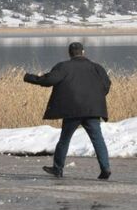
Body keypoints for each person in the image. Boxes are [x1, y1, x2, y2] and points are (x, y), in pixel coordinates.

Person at [24, 42, 112, 180]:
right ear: (83, 52)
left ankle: (57, 169)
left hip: (72, 110)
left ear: (70, 53)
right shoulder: (97, 67)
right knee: (98, 139)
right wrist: (95, 98)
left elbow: (49, 80)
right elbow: (106, 85)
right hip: (93, 110)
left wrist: (29, 77)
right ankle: (105, 168)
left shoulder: (64, 67)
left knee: (64, 139)